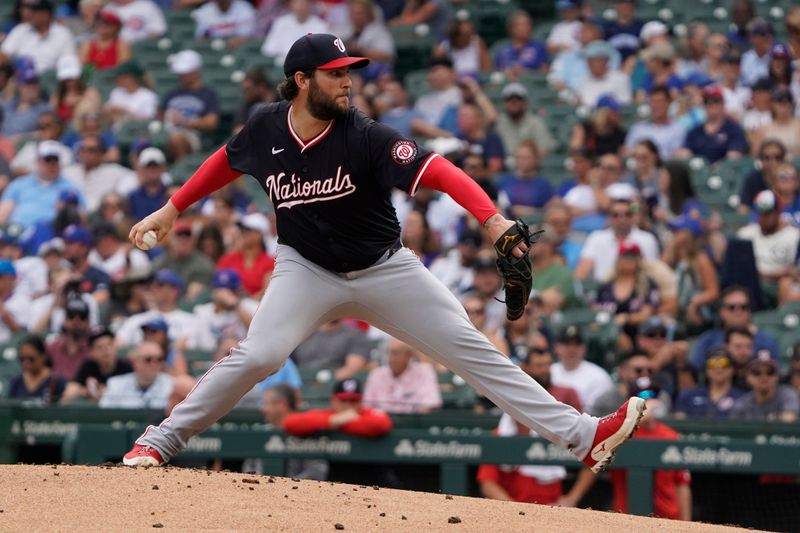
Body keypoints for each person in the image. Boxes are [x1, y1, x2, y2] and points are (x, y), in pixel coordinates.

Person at [122, 33, 645, 473]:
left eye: (349, 70)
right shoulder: (266, 127)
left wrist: (491, 218)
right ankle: (161, 440)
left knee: (469, 346)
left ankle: (584, 436)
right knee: (260, 353)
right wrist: (173, 207)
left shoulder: (365, 135)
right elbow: (228, 158)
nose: (348, 80)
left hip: (383, 268)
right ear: (302, 80)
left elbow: (437, 170)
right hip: (305, 268)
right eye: (335, 72)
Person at [609, 384, 692, 520]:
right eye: (642, 397)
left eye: (653, 396)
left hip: (668, 519)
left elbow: (682, 483)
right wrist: (638, 417)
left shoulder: (671, 435)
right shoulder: (623, 433)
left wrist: (687, 524)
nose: (650, 402)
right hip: (627, 518)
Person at [241, 384, 329, 479]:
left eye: (266, 403)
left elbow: (316, 471)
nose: (263, 409)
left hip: (297, 492)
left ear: (281, 404)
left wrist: (286, 486)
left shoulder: (306, 430)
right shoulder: (261, 432)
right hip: (259, 490)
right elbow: (249, 468)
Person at [689, 286, 779, 372]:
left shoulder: (766, 340)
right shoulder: (708, 339)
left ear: (750, 311)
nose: (738, 312)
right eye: (732, 307)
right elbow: (694, 373)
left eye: (743, 307)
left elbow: (776, 374)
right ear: (722, 311)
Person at [0, 141, 85, 228]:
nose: (52, 164)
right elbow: (3, 213)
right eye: (47, 160)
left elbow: (81, 220)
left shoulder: (71, 189)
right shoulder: (19, 184)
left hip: (52, 233)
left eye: (55, 160)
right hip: (17, 231)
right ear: (38, 161)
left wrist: (65, 211)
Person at [575, 198, 659, 283]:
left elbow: (651, 272)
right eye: (615, 215)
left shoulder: (647, 239)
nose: (622, 219)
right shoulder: (596, 238)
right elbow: (582, 270)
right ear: (609, 217)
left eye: (627, 214)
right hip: (602, 290)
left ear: (633, 216)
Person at [594, 240, 660, 345]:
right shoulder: (605, 287)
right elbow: (594, 311)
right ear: (618, 260)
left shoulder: (648, 284)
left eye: (633, 257)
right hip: (606, 334)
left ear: (639, 260)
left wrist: (626, 318)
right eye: (626, 257)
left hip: (638, 336)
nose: (629, 261)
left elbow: (646, 314)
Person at [161, 50, 221, 161]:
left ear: (196, 71)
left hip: (193, 134)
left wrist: (185, 122)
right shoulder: (171, 94)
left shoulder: (208, 94)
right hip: (167, 131)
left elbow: (212, 122)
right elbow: (160, 116)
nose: (182, 76)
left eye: (186, 73)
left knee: (177, 140)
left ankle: (182, 172)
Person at [736, 190, 800, 294]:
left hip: (779, 286)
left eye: (768, 213)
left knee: (787, 284)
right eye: (760, 213)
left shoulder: (794, 236)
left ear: (778, 212)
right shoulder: (745, 234)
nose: (764, 217)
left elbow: (795, 272)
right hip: (750, 284)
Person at [283, 377, 393, 437]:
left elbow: (381, 424)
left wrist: (343, 423)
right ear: (333, 401)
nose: (348, 405)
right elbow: (290, 423)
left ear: (361, 402)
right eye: (343, 400)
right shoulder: (329, 415)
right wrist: (333, 420)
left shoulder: (366, 413)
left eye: (353, 400)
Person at [363, 337, 441, 413]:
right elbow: (367, 406)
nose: (391, 358)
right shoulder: (377, 374)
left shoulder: (424, 371)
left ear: (409, 355)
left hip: (414, 422)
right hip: (382, 423)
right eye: (389, 353)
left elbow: (431, 402)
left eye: (396, 353)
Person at [63, 135, 136, 213]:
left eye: (91, 150)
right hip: (75, 215)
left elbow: (136, 177)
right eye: (83, 150)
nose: (86, 154)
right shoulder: (68, 172)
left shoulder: (113, 170)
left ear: (101, 153)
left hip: (101, 217)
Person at [550, 325, 614, 413]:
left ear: (584, 348)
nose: (572, 349)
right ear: (556, 347)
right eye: (566, 344)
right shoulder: (548, 372)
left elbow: (599, 412)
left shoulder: (599, 376)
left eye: (577, 344)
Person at [676, 86, 748, 164]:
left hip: (725, 172)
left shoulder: (733, 129)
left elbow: (734, 156)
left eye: (715, 100)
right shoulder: (695, 131)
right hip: (698, 171)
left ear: (723, 103)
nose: (710, 104)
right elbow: (684, 152)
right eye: (706, 101)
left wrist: (714, 169)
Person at [0, 0, 76, 73]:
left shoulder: (62, 33)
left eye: (35, 12)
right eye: (31, 12)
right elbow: (4, 54)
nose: (31, 15)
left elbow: (68, 61)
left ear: (46, 14)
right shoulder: (21, 29)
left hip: (51, 78)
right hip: (21, 77)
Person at [62, 326, 133, 402]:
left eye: (109, 345)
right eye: (99, 347)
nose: (105, 350)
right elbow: (74, 387)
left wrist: (106, 392)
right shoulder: (88, 366)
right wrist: (87, 391)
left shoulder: (126, 368)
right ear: (91, 352)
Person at [99, 340, 175, 409]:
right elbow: (105, 414)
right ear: (135, 362)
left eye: (159, 359)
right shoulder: (115, 384)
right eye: (148, 359)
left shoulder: (172, 385)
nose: (154, 364)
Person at [152, 219, 215, 301]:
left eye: (187, 236)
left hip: (191, 307)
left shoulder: (204, 264)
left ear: (194, 240)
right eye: (179, 235)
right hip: (162, 306)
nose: (183, 240)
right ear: (171, 239)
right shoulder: (160, 262)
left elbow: (201, 294)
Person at [217, 213, 276, 297]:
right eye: (242, 230)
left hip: (257, 306)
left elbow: (267, 292)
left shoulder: (270, 262)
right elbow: (218, 286)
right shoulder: (228, 259)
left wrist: (244, 303)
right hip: (228, 305)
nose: (244, 233)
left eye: (248, 229)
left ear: (260, 234)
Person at [730, 351, 800, 422]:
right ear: (748, 377)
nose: (764, 377)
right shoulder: (742, 405)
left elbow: (789, 419)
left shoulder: (787, 394)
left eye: (770, 372)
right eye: (757, 372)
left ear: (777, 377)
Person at [674, 348, 744, 419]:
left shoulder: (742, 398)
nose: (718, 368)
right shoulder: (688, 396)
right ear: (706, 369)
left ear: (734, 369)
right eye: (712, 364)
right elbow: (680, 421)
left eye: (724, 363)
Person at [624, 85, 686, 160]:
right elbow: (626, 152)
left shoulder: (678, 129)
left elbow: (676, 154)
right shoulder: (637, 128)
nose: (656, 105)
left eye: (659, 101)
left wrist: (649, 154)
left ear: (668, 103)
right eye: (653, 101)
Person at [494, 82, 555, 158]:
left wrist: (524, 161)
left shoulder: (536, 122)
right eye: (509, 99)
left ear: (525, 103)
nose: (513, 103)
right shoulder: (499, 122)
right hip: (504, 165)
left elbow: (544, 149)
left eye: (518, 99)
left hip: (530, 167)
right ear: (504, 103)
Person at [261, 0, 329, 65]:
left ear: (309, 4)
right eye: (296, 2)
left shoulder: (320, 25)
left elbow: (321, 52)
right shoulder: (281, 23)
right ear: (291, 4)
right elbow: (269, 49)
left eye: (303, 3)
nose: (300, 6)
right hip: (282, 65)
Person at [495, 140, 553, 216]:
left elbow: (548, 210)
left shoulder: (543, 184)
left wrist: (529, 211)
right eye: (519, 157)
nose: (522, 161)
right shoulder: (503, 181)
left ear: (535, 159)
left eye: (526, 157)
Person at [7, 334, 65, 403]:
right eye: (22, 359)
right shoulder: (16, 381)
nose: (26, 364)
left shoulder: (56, 381)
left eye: (31, 359)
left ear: (43, 356)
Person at [46, 297, 91, 381]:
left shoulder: (93, 349)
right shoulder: (52, 348)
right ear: (65, 320)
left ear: (88, 322)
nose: (76, 321)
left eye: (82, 317)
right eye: (71, 316)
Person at [576, 40, 632, 108]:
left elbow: (625, 104)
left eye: (592, 61)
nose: (588, 64)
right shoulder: (583, 80)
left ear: (604, 61)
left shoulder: (620, 78)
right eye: (588, 61)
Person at [493, 9, 549, 75]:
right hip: (507, 82)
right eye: (520, 25)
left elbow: (544, 73)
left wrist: (526, 72)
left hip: (530, 83)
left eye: (527, 24)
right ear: (511, 28)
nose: (525, 28)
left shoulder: (539, 47)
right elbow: (495, 73)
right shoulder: (502, 49)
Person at [104, 62, 159, 127]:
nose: (120, 79)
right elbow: (108, 112)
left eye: (124, 77)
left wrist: (126, 111)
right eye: (119, 77)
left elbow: (150, 119)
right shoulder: (116, 92)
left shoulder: (148, 95)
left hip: (139, 131)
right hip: (117, 131)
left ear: (133, 78)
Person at [127, 147, 168, 221]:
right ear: (141, 169)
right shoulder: (133, 197)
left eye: (156, 166)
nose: (152, 169)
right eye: (148, 166)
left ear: (163, 168)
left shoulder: (170, 194)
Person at [0, 259, 30, 344]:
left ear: (12, 279)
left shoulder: (21, 301)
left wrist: (5, 316)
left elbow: (24, 334)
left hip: (9, 350)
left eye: (1, 277)